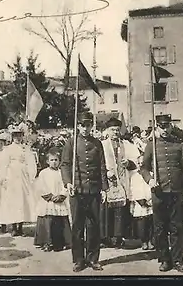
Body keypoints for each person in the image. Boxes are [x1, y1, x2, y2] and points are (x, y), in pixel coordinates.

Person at [140, 114, 183, 273]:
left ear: (171, 127)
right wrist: (149, 179)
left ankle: (178, 261)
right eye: (161, 127)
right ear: (157, 127)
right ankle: (165, 259)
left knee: (177, 227)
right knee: (160, 228)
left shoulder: (179, 145)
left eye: (167, 126)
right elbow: (144, 168)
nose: (164, 130)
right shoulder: (151, 145)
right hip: (159, 192)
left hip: (176, 191)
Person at [61, 111, 108, 272]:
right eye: (83, 125)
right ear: (78, 126)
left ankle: (93, 258)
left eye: (88, 125)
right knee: (78, 226)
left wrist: (104, 189)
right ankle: (79, 260)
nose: (86, 128)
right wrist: (67, 183)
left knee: (94, 226)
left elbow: (102, 166)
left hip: (94, 190)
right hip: (77, 190)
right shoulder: (71, 143)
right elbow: (65, 164)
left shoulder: (97, 143)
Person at [100, 117, 139, 248]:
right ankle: (105, 237)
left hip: (123, 181)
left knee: (120, 211)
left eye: (117, 130)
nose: (115, 133)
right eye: (112, 130)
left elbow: (136, 162)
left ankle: (118, 237)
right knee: (106, 210)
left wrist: (128, 163)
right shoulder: (102, 145)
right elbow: (97, 163)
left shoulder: (126, 144)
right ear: (107, 131)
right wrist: (106, 172)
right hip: (107, 181)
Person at [0, 125, 37, 236]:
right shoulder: (8, 149)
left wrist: (31, 175)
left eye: (19, 136)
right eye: (15, 136)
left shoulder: (26, 148)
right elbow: (4, 164)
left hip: (23, 176)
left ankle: (20, 226)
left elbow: (31, 162)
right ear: (12, 137)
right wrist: (4, 177)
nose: (17, 138)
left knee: (22, 200)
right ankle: (14, 227)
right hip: (11, 176)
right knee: (13, 201)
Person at [34, 149, 72, 252]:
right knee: (48, 219)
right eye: (51, 160)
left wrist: (61, 195)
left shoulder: (62, 173)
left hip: (59, 199)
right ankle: (47, 242)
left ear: (59, 161)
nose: (54, 162)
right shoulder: (43, 173)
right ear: (47, 161)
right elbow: (41, 187)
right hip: (48, 201)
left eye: (56, 160)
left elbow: (65, 185)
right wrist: (50, 197)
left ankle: (62, 242)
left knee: (61, 220)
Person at [127, 160, 154, 250]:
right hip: (140, 202)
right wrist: (141, 201)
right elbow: (134, 189)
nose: (140, 165)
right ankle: (144, 241)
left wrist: (150, 200)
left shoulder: (151, 174)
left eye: (142, 163)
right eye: (138, 163)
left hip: (150, 202)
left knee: (150, 222)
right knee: (142, 223)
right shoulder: (134, 176)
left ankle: (150, 240)